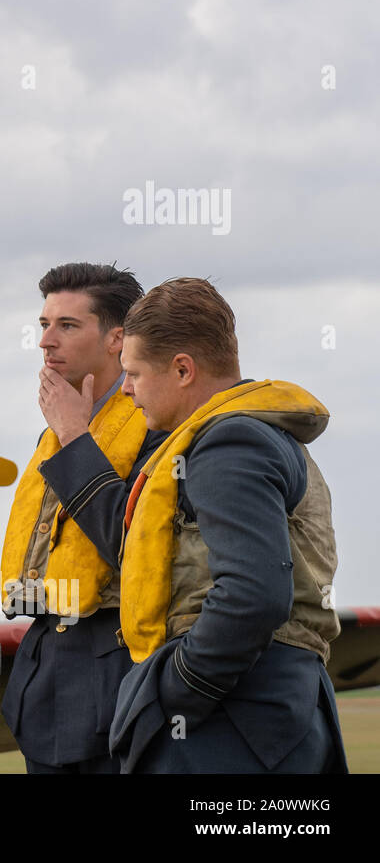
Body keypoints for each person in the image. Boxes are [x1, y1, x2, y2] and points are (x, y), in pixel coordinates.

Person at [110, 278, 346, 773]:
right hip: (272, 712)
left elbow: (254, 594)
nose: (126, 389)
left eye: (132, 373)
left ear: (182, 369)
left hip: (233, 721)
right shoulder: (270, 435)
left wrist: (178, 689)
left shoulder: (229, 442)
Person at [0, 263, 166, 773]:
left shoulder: (159, 431)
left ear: (118, 338)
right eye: (44, 325)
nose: (47, 341)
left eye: (67, 326)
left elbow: (133, 544)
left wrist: (74, 437)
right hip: (47, 684)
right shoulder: (52, 433)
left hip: (116, 678)